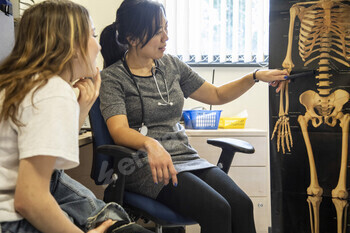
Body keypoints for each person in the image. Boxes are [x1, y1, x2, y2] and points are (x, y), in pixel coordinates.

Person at [99, 0, 288, 232]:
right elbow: (119, 131)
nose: (165, 37)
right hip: (145, 165)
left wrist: (255, 76)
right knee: (217, 209)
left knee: (241, 204)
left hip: (186, 158)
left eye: (166, 28)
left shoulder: (171, 65)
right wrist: (152, 145)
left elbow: (216, 95)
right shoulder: (112, 78)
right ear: (132, 37)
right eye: (158, 32)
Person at [0, 1, 153, 233]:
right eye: (92, 35)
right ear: (71, 45)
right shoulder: (51, 91)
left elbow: (49, 165)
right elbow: (30, 198)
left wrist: (81, 109)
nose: (99, 46)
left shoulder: (22, 85)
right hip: (12, 221)